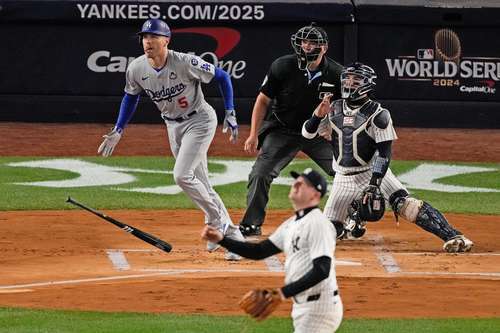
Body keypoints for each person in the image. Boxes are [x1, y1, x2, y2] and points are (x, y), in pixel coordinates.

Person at [97, 19, 245, 260]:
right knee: (202, 182)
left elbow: (222, 77)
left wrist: (230, 111)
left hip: (200, 121)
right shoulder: (136, 68)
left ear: (166, 40)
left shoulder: (185, 62)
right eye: (144, 37)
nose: (147, 42)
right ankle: (233, 237)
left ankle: (218, 222)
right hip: (173, 126)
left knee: (182, 175)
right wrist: (119, 129)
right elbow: (130, 97)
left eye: (153, 37)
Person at [302, 62, 473, 253]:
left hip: (371, 171)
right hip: (343, 178)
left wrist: (374, 183)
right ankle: (353, 217)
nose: (350, 83)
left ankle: (454, 236)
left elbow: (384, 153)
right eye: (347, 79)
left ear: (367, 84)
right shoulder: (333, 108)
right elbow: (307, 134)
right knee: (325, 233)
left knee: (405, 204)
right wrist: (317, 115)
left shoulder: (378, 114)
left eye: (356, 80)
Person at [202, 168, 343, 332]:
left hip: (320, 308)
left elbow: (322, 269)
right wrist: (222, 240)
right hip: (304, 306)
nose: (297, 183)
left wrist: (283, 293)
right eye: (297, 180)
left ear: (315, 195)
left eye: (304, 183)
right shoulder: (292, 223)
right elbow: (259, 251)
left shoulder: (318, 223)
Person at [240, 23, 344, 237]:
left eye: (312, 42)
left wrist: (333, 129)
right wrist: (253, 134)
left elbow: (345, 109)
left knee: (345, 173)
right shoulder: (282, 66)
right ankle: (251, 223)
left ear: (324, 47)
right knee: (260, 173)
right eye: (304, 41)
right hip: (282, 130)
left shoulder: (336, 73)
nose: (306, 46)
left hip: (316, 133)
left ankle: (349, 221)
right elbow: (262, 100)